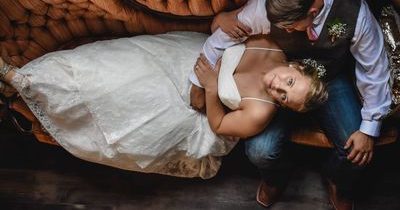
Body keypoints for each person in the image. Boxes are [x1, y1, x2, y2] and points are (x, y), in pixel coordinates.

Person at [0, 31, 327, 180]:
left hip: (198, 114)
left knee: (131, 103)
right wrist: (208, 66)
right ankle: (28, 82)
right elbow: (223, 32)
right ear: (297, 67)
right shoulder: (267, 43)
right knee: (114, 71)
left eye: (285, 98)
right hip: (189, 57)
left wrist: (211, 88)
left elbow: (218, 126)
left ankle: (19, 99)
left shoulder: (259, 112)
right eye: (289, 83)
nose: (278, 88)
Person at [206, 0, 391, 209]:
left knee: (357, 150)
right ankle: (277, 176)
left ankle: (336, 179)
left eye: (290, 26)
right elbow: (225, 33)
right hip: (280, 77)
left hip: (330, 78)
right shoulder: (272, 2)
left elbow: (374, 69)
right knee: (260, 151)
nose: (287, 30)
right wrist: (199, 82)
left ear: (312, 12)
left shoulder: (355, 13)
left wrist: (370, 126)